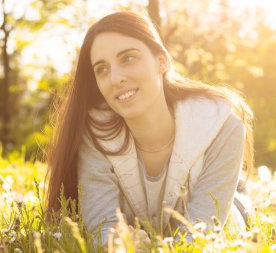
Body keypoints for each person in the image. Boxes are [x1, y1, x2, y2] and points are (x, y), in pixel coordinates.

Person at [44, 11, 254, 246]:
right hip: (150, 232)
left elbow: (200, 237)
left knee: (234, 205)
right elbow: (101, 227)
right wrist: (120, 245)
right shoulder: (95, 135)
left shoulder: (222, 126)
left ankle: (239, 189)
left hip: (229, 216)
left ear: (161, 61)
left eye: (128, 58)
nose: (115, 78)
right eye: (102, 69)